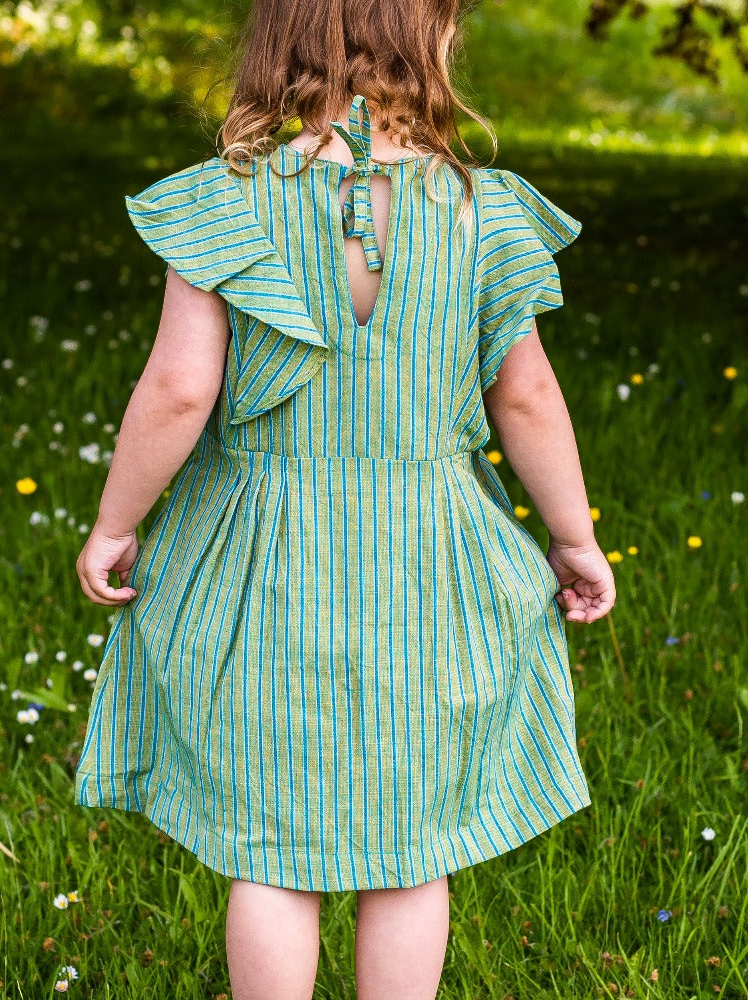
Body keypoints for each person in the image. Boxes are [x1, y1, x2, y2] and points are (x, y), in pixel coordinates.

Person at [73, 0, 616, 996]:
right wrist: (573, 536)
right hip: (431, 571)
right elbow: (526, 394)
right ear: (433, 42)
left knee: (272, 849)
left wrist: (117, 523)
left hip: (265, 568)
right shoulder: (478, 209)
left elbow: (180, 389)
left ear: (276, 46)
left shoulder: (228, 201)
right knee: (410, 852)